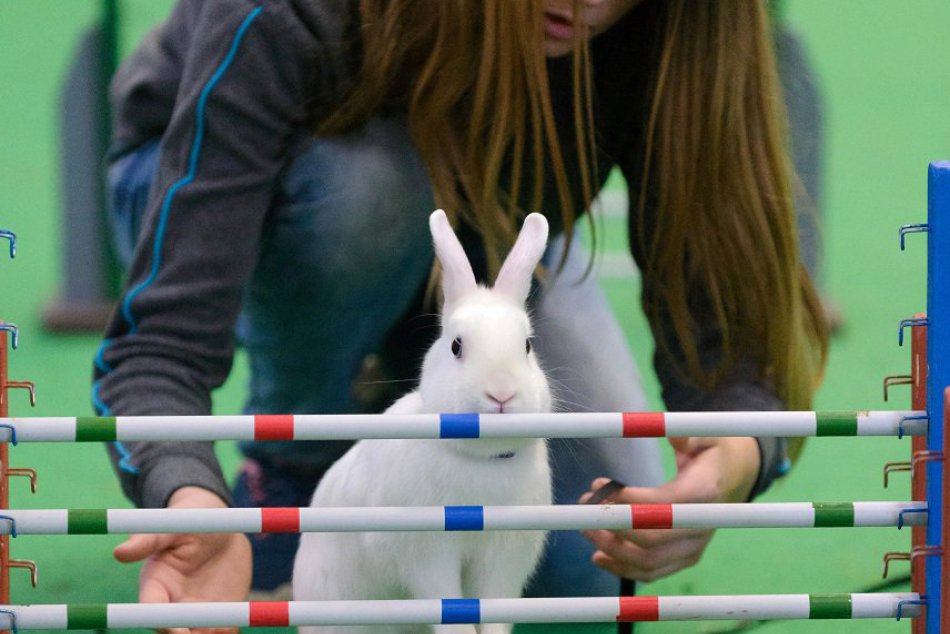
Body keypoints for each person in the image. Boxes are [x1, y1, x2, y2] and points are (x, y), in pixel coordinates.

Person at [95, 0, 829, 631]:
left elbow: (731, 341)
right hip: (229, 185)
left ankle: (402, 363)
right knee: (369, 196)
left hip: (489, 240)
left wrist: (730, 462)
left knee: (591, 566)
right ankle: (296, 462)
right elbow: (158, 346)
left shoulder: (666, 28)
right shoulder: (291, 16)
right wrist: (186, 489)